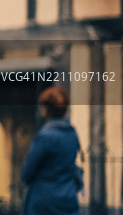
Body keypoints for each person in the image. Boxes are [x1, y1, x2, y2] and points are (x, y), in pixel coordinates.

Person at [21, 86, 81, 215]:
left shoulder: (45, 136)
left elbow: (27, 173)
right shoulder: (72, 133)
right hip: (68, 197)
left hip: (45, 200)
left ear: (45, 109)